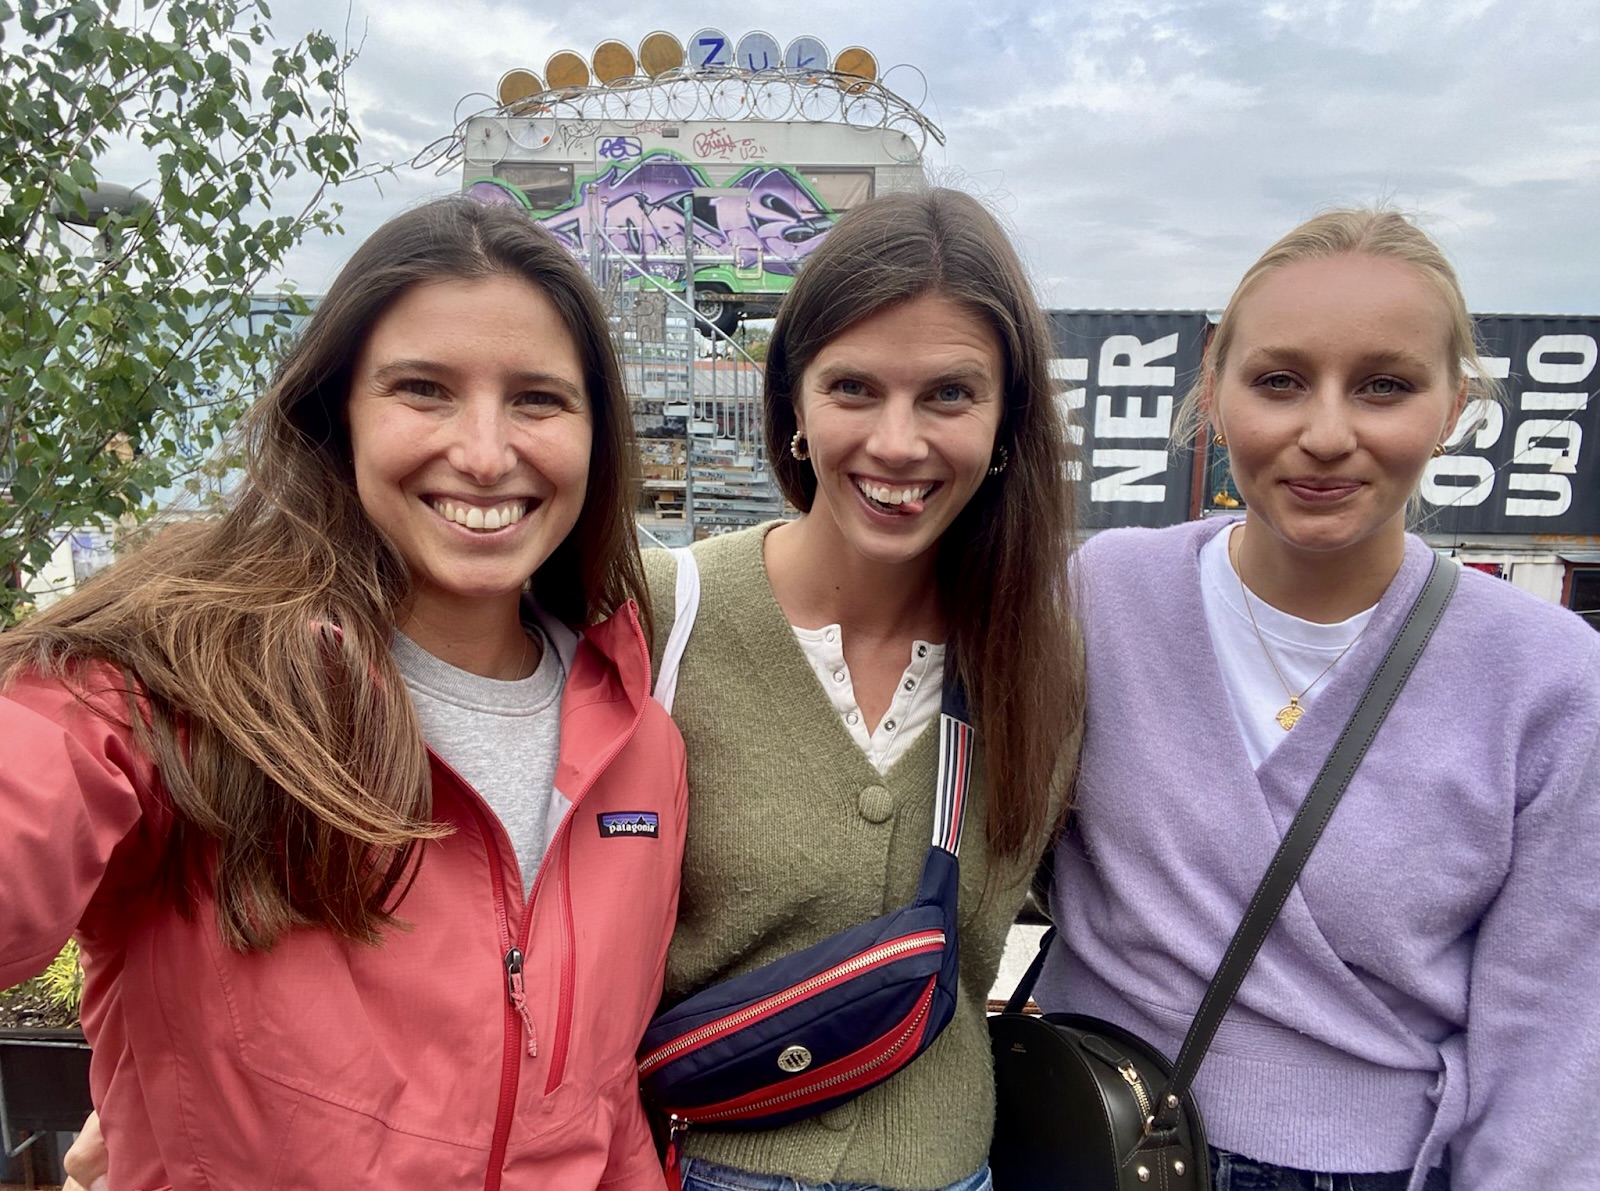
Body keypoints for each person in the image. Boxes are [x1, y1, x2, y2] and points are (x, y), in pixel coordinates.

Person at [0, 197, 688, 1189]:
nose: (486, 451)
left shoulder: (640, 748)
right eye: (424, 389)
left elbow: (601, 1100)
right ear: (339, 415)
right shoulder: (184, 685)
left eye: (538, 398)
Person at [1035, 209, 1600, 1189]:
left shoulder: (1545, 676)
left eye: (1384, 386)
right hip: (1091, 1136)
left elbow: (1553, 1030)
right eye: (1279, 381)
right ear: (1211, 387)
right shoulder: (1099, 597)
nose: (1326, 434)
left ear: (1455, 404)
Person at [644, 189, 1084, 1191]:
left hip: (949, 1169)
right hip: (694, 1164)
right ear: (791, 401)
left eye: (948, 395)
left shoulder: (1034, 659)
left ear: (1008, 419)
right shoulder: (667, 611)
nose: (896, 443)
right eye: (852, 388)